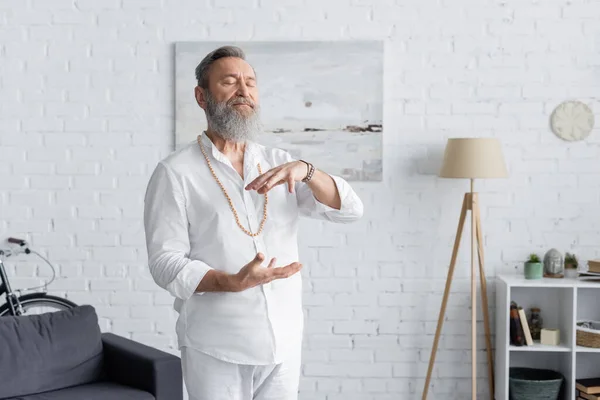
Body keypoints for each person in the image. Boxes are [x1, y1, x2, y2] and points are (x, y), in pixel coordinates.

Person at [143, 45, 364, 400]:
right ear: (202, 96)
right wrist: (231, 282)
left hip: (285, 343)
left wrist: (308, 170)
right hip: (216, 347)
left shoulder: (280, 163)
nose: (244, 91)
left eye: (251, 82)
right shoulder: (175, 172)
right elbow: (164, 262)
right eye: (229, 82)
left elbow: (350, 210)